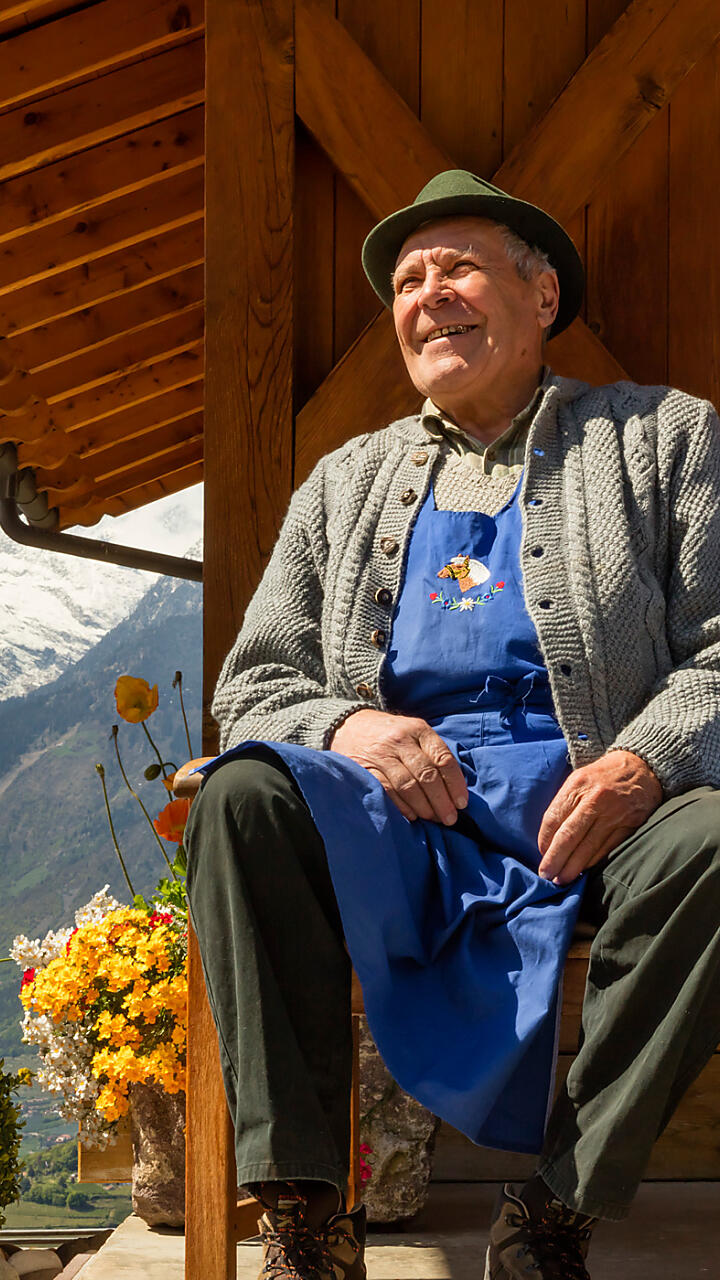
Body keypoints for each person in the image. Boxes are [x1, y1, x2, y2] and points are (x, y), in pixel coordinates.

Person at [185, 170, 720, 1280]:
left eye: (457, 268)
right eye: (409, 281)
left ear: (542, 297)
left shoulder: (665, 438)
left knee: (719, 837)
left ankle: (557, 1207)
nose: (429, 295)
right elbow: (254, 680)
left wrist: (642, 761)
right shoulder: (346, 481)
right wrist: (350, 728)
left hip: (597, 821)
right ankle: (306, 1218)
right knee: (242, 794)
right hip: (399, 828)